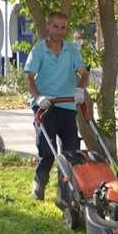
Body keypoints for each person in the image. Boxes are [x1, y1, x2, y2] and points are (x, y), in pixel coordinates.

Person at [24, 11, 90, 200]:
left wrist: (80, 90)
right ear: (48, 26)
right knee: (47, 151)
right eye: (55, 26)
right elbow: (29, 77)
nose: (59, 31)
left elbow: (84, 73)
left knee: (71, 151)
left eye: (63, 27)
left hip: (67, 106)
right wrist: (38, 98)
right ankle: (39, 183)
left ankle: (66, 192)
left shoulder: (71, 49)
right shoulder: (38, 50)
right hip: (45, 106)